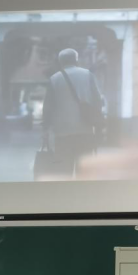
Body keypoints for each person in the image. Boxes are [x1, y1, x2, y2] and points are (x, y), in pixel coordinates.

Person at [42, 48, 103, 178]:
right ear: (76, 60)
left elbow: (48, 107)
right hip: (85, 131)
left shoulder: (54, 79)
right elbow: (98, 101)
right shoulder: (88, 75)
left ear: (60, 62)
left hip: (62, 133)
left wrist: (45, 128)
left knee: (64, 171)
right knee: (84, 172)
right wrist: (98, 125)